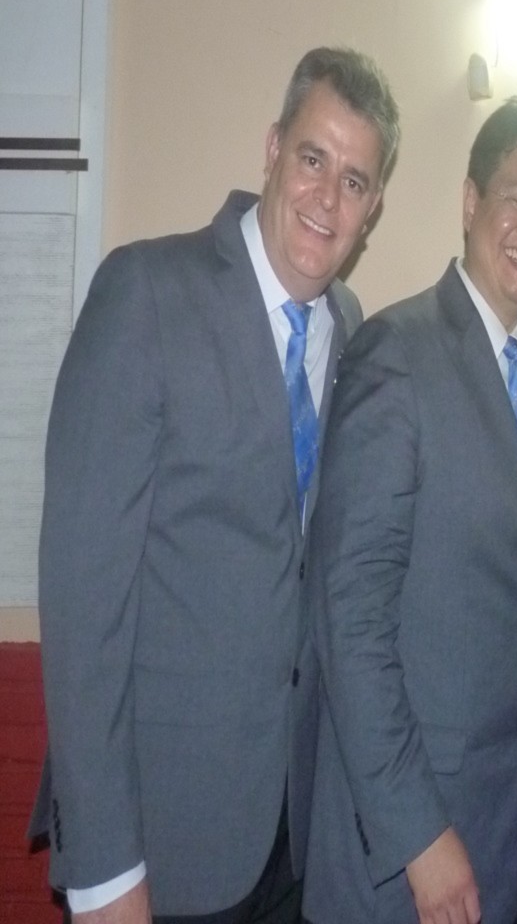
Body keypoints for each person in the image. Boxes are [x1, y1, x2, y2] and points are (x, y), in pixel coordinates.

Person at [30, 47, 399, 923]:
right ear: (271, 149)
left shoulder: (350, 330)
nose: (327, 197)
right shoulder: (147, 291)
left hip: (290, 838)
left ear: (373, 208)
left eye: (354, 181)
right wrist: (105, 870)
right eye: (313, 158)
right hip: (161, 840)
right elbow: (83, 606)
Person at [303, 97, 517, 924]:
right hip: (407, 843)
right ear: (469, 202)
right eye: (515, 198)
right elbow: (350, 617)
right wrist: (418, 833)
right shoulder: (397, 353)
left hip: (514, 821)